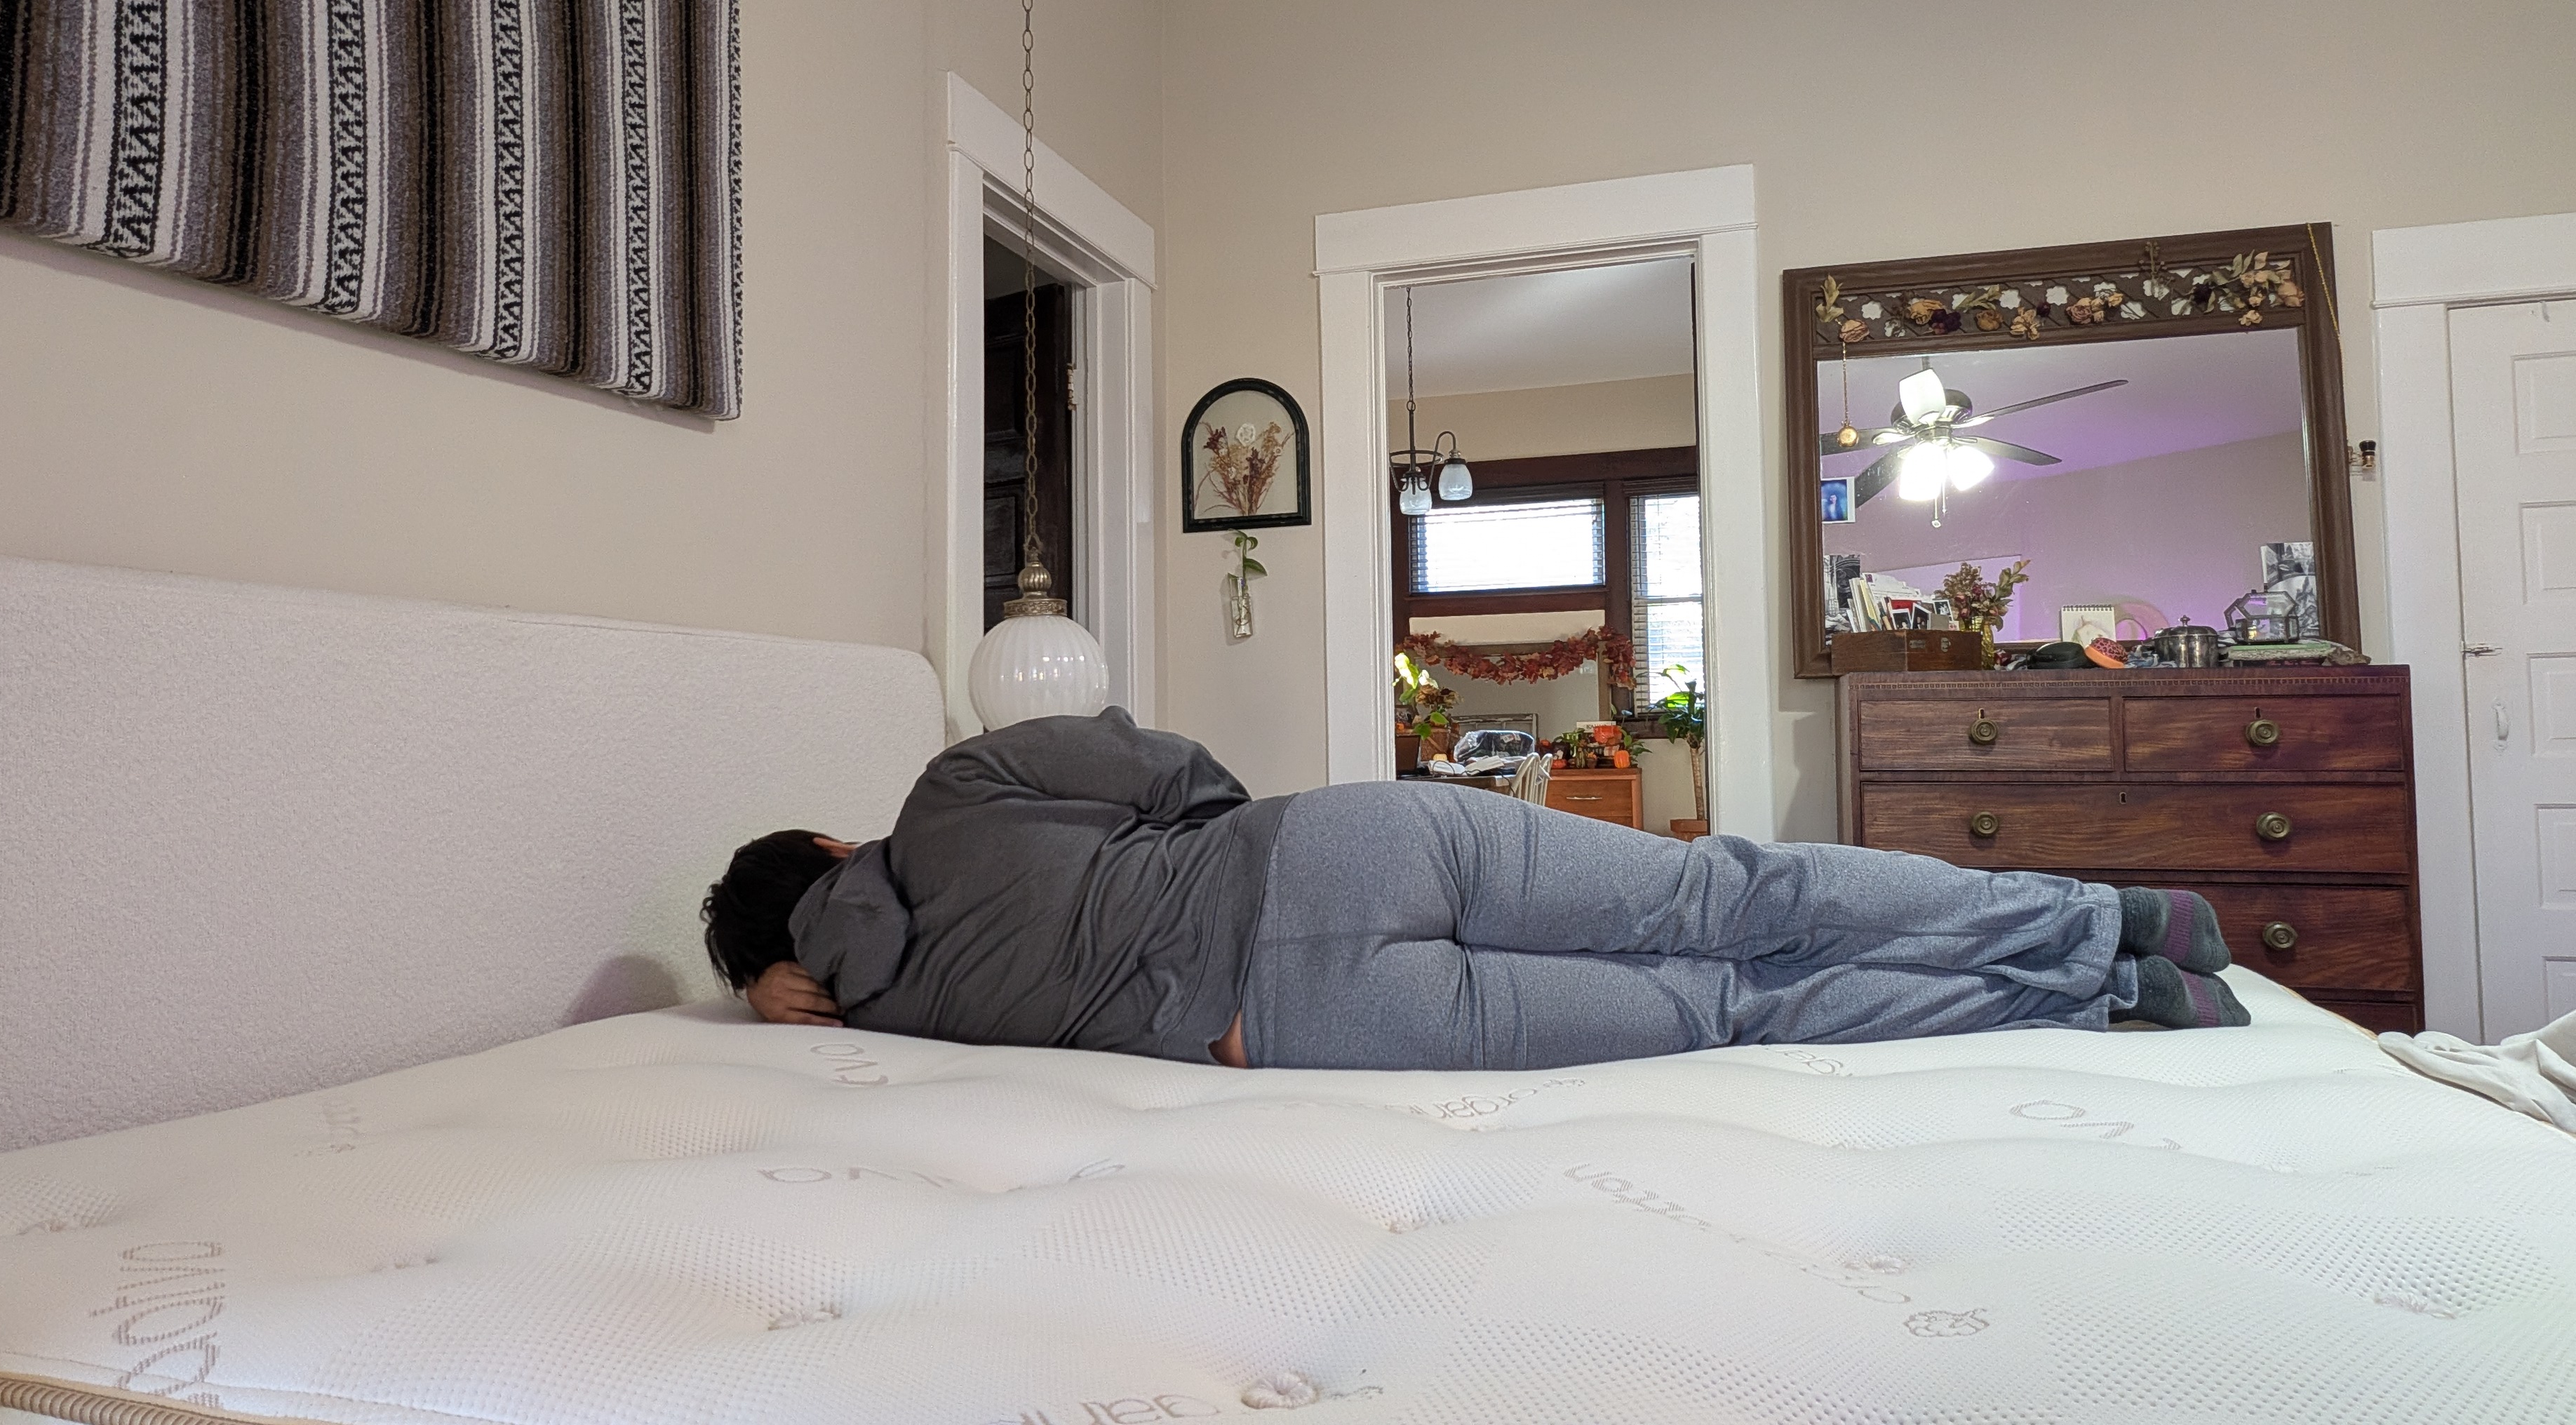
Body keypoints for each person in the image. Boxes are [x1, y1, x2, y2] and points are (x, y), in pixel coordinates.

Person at [702, 707, 2243, 1072]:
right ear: (835, 848)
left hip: (1299, 1016)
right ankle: (2098, 919)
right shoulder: (949, 794)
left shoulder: (874, 1021)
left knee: (1725, 1008)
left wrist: (790, 1006)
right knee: (1727, 892)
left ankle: (2101, 1000)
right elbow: (1159, 766)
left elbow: (822, 1012)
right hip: (1341, 848)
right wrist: (1236, 847)